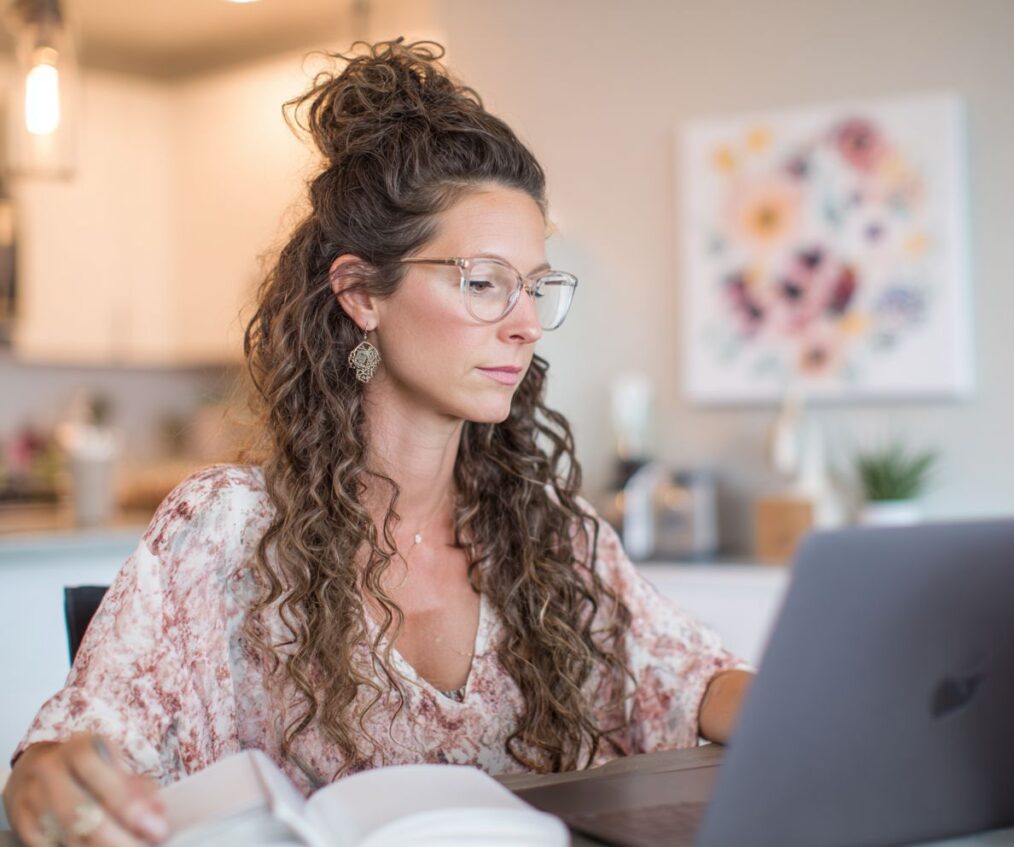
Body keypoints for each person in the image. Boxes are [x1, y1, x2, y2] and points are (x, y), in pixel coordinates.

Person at [2, 39, 753, 847]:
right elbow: (79, 746)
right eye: (483, 281)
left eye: (535, 284)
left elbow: (696, 682)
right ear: (362, 293)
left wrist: (845, 708)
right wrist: (46, 776)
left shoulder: (554, 537)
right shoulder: (223, 530)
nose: (526, 321)